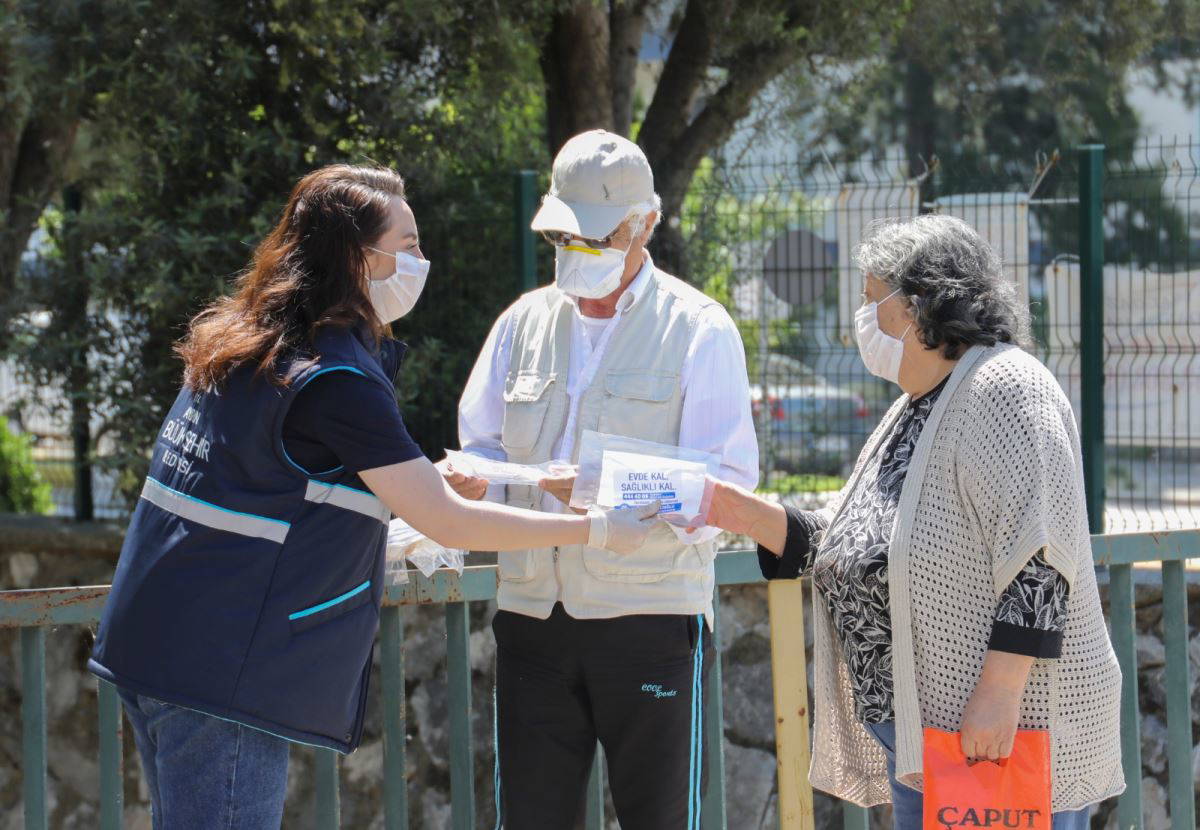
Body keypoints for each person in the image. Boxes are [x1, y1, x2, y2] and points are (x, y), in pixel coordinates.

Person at [87, 164, 658, 829]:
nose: (423, 259)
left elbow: (276, 481)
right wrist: (591, 529)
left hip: (154, 641)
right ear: (361, 259)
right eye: (409, 245)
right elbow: (444, 520)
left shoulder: (244, 342)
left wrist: (421, 485)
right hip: (220, 673)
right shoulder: (337, 379)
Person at [701, 215, 1122, 829]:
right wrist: (741, 512)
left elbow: (1042, 554)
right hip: (929, 743)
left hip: (996, 738)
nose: (863, 317)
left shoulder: (1005, 386)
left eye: (875, 299)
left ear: (923, 304)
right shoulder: (917, 405)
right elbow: (860, 545)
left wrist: (999, 696)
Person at [449, 130, 758, 829]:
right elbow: (484, 445)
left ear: (646, 221)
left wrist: (594, 484)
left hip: (648, 620)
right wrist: (476, 480)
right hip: (531, 620)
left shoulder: (700, 329)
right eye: (567, 237)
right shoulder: (519, 322)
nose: (578, 253)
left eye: (598, 236)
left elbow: (726, 491)